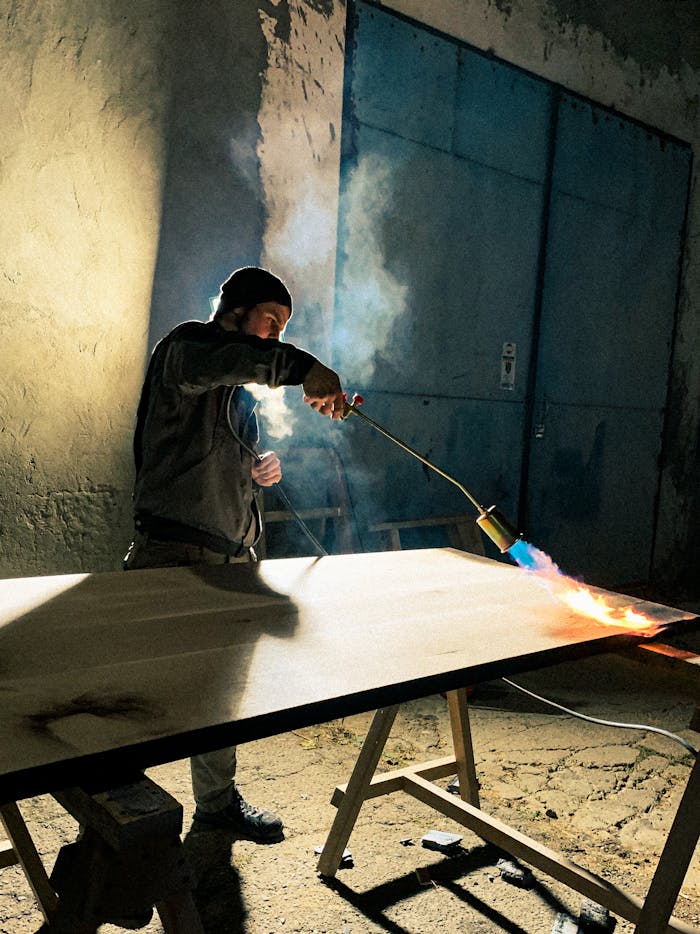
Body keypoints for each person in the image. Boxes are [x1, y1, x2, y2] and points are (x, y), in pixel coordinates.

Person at [124, 265, 344, 843]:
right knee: (142, 689)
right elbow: (230, 359)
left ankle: (216, 805)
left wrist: (254, 470)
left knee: (220, 694)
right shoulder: (187, 349)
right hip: (171, 557)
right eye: (270, 320)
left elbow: (217, 459)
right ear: (235, 311)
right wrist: (302, 367)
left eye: (283, 327)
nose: (274, 334)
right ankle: (116, 827)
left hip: (229, 561)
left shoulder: (236, 397)